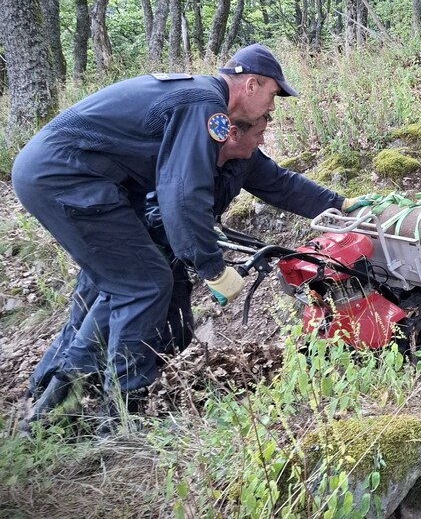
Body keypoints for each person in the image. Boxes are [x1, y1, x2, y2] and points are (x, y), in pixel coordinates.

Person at [13, 43, 299, 425]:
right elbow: (183, 195)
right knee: (145, 284)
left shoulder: (198, 100)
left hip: (61, 172)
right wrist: (213, 268)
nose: (272, 107)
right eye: (272, 95)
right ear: (251, 84)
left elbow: (277, 183)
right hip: (68, 176)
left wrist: (344, 205)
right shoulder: (205, 106)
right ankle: (122, 415)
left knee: (108, 286)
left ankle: (53, 397)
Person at [23, 116, 353, 429]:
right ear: (234, 134)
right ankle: (65, 406)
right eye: (258, 134)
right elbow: (163, 209)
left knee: (169, 327)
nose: (263, 140)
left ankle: (72, 395)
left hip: (162, 251)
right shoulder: (191, 154)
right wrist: (204, 251)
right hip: (130, 241)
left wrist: (341, 203)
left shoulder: (244, 159)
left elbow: (283, 184)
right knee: (111, 314)